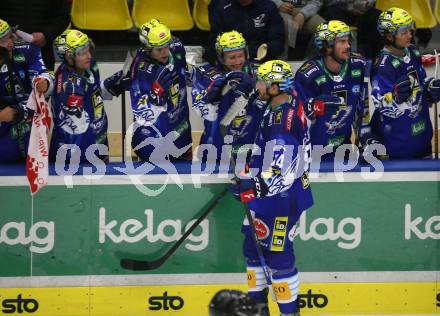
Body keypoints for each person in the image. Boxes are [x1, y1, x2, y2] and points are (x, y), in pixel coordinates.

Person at [229, 60, 313, 316]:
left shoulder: (280, 121)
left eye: (262, 82)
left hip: (280, 199)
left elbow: (282, 172)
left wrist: (253, 186)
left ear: (275, 87)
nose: (258, 86)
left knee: (278, 259)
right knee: (253, 249)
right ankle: (258, 309)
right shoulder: (282, 102)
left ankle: (289, 313)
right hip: (268, 197)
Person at [294, 20, 370, 161]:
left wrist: (365, 138)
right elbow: (295, 118)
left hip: (344, 152)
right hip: (313, 156)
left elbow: (363, 107)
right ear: (327, 47)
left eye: (348, 41)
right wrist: (313, 107)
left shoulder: (358, 65)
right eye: (342, 42)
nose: (348, 46)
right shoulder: (308, 75)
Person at [370, 7, 440, 159]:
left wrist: (429, 88)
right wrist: (395, 97)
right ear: (389, 36)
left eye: (410, 30)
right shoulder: (383, 66)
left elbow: (419, 84)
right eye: (404, 32)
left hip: (422, 140)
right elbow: (380, 104)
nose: (410, 35)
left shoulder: (412, 51)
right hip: (399, 146)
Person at [50, 29, 127, 163]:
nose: (89, 56)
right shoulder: (67, 85)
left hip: (99, 145)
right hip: (76, 156)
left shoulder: (89, 66)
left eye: (88, 50)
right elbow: (77, 126)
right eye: (82, 53)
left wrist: (113, 82)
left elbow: (95, 93)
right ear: (69, 57)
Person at [191, 30, 265, 161]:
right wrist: (213, 97)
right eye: (232, 57)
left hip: (250, 147)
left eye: (240, 56)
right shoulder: (205, 74)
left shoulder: (258, 70)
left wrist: (255, 87)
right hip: (216, 147)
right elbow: (199, 109)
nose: (237, 61)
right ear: (221, 57)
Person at [129, 19, 192, 162]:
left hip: (182, 133)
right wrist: (154, 97)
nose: (165, 52)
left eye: (167, 46)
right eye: (159, 49)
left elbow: (186, 72)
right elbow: (139, 110)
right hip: (154, 142)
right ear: (147, 49)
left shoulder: (177, 48)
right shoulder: (140, 67)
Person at [0, 19, 53, 163]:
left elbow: (44, 74)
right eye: (3, 40)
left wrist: (45, 82)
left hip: (27, 123)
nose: (10, 43)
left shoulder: (27, 50)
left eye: (10, 36)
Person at [206, 0, 285, 63]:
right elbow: (213, 46)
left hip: (263, 65)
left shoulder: (269, 7)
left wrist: (246, 52)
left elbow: (278, 45)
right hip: (231, 66)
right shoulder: (220, 7)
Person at [0, 0, 71, 70]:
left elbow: (63, 16)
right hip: (6, 51)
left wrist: (46, 34)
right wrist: (5, 33)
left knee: (43, 79)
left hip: (42, 51)